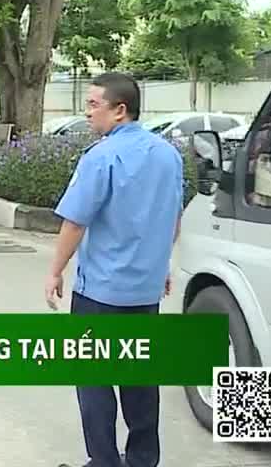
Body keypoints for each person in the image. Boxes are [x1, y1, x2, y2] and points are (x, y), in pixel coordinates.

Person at [46, 72, 184, 467]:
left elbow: (75, 221)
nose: (87, 113)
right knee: (140, 378)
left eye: (93, 104)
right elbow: (173, 219)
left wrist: (55, 271)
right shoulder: (168, 155)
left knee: (94, 381)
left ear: (119, 110)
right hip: (144, 292)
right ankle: (142, 460)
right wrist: (159, 265)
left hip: (100, 294)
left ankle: (104, 461)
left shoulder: (102, 156)